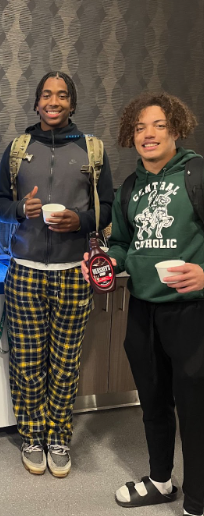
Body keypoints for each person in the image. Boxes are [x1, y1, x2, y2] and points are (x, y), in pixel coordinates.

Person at [82, 92, 204, 516]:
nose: (147, 134)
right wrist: (104, 262)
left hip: (190, 312)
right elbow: (122, 243)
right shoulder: (131, 186)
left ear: (176, 128)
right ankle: (160, 480)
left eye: (158, 125)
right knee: (153, 401)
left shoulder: (197, 173)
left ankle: (198, 499)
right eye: (139, 127)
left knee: (194, 408)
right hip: (142, 309)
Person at [0, 71, 114, 477]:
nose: (54, 101)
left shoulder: (92, 149)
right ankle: (31, 434)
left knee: (65, 362)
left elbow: (108, 209)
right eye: (47, 95)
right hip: (24, 271)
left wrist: (79, 220)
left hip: (74, 272)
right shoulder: (18, 148)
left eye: (62, 95)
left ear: (72, 103)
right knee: (26, 361)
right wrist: (17, 211)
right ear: (37, 102)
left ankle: (59, 434)